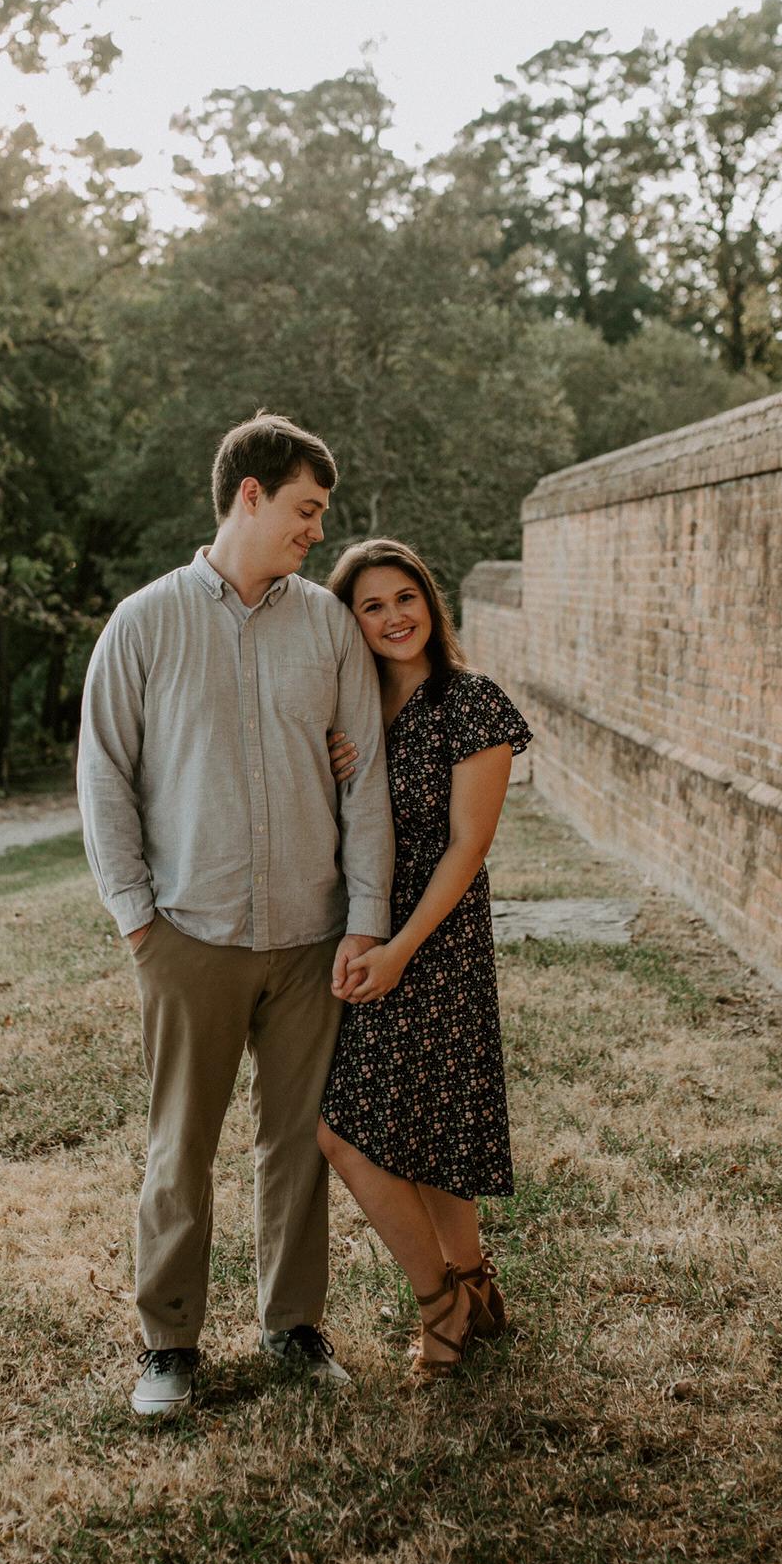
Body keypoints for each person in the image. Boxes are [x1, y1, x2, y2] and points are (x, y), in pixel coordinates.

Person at [76, 414, 394, 1419]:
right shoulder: (142, 621)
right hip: (189, 935)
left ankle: (293, 1326)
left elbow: (366, 778)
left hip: (310, 936)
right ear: (249, 495)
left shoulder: (326, 626)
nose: (314, 532)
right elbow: (102, 778)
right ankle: (168, 1343)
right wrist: (137, 918)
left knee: (296, 1140)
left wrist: (366, 916)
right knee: (181, 1143)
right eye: (304, 510)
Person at [317, 538, 531, 1377]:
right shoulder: (353, 711)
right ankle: (473, 1285)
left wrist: (403, 949)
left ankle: (439, 1304)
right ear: (352, 621)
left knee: (347, 1136)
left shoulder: (470, 703)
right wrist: (333, 758)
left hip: (435, 944)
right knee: (423, 1125)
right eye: (372, 605)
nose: (394, 616)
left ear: (431, 605)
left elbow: (466, 848)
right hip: (368, 934)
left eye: (406, 597)